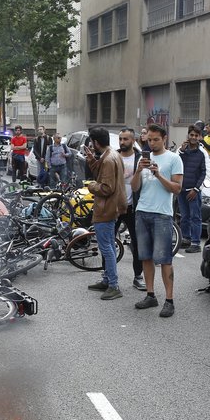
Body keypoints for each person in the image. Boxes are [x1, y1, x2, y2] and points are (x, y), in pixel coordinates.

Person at [130, 124, 183, 316]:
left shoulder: (174, 159)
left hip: (162, 214)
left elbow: (177, 188)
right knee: (145, 257)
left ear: (164, 138)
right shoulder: (143, 158)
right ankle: (150, 295)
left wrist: (158, 174)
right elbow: (134, 188)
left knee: (164, 259)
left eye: (156, 139)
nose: (151, 143)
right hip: (142, 211)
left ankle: (169, 300)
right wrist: (138, 171)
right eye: (149, 139)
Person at [82, 128, 126, 301]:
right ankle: (107, 280)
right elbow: (104, 176)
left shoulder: (108, 159)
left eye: (92, 142)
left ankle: (113, 285)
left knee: (107, 248)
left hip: (106, 208)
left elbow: (107, 188)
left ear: (95, 142)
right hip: (111, 207)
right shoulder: (112, 154)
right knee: (108, 246)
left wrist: (91, 186)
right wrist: (92, 160)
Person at [115, 129, 144, 291]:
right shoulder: (114, 156)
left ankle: (138, 276)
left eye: (125, 139)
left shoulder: (140, 158)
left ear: (133, 141)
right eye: (120, 139)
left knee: (137, 243)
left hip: (133, 207)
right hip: (115, 206)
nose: (122, 142)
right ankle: (107, 276)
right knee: (109, 242)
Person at [177, 126, 206, 252]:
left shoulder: (202, 153)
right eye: (191, 135)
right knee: (184, 216)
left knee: (195, 217)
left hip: (194, 191)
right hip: (182, 189)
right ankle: (186, 239)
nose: (193, 137)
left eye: (196, 135)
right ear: (188, 135)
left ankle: (195, 243)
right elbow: (176, 166)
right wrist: (181, 152)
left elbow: (204, 173)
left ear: (199, 137)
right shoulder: (182, 150)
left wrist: (196, 189)